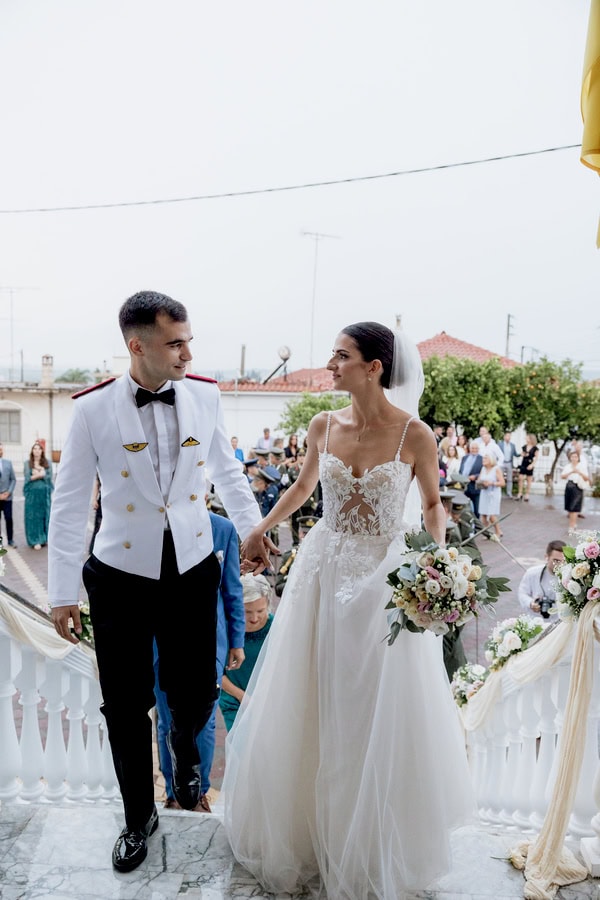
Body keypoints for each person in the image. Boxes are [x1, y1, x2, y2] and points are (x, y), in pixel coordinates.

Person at [223, 322, 473, 898]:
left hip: (385, 581)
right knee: (314, 698)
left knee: (371, 704)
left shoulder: (416, 435)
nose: (330, 364)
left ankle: (371, 839)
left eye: (341, 356)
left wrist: (438, 563)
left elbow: (433, 505)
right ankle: (312, 835)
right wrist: (260, 526)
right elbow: (303, 488)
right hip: (322, 572)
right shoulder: (322, 425)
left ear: (374, 366)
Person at [47, 291, 262, 874]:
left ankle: (187, 754)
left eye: (189, 339)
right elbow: (68, 504)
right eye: (174, 343)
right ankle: (137, 815)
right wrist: (62, 590)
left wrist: (252, 529)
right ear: (136, 346)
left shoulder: (206, 395)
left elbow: (227, 470)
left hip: (191, 564)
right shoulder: (92, 410)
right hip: (119, 572)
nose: (187, 352)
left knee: (195, 687)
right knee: (125, 702)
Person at [153, 509, 245, 810]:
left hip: (209, 642)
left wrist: (236, 640)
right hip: (160, 641)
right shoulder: (149, 525)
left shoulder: (222, 529)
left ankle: (200, 790)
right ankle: (173, 791)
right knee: (168, 722)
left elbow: (232, 589)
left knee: (203, 722)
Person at [219, 573, 274, 731]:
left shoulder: (277, 628)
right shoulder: (225, 629)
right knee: (240, 747)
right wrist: (243, 697)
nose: (255, 618)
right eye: (247, 612)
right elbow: (216, 672)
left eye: (260, 611)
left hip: (268, 699)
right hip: (234, 699)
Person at [518, 540, 566, 621]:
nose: (559, 565)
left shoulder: (569, 577)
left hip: (559, 622)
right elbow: (522, 593)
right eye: (556, 561)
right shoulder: (532, 572)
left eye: (563, 561)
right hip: (535, 620)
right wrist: (531, 603)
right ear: (546, 557)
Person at [23, 441, 54, 549]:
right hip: (32, 495)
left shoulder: (47, 463)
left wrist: (39, 473)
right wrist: (40, 474)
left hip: (44, 495)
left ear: (42, 451)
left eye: (39, 449)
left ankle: (43, 539)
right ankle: (34, 540)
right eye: (34, 449)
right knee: (32, 517)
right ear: (32, 451)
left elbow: (49, 477)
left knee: (44, 516)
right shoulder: (27, 463)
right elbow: (28, 478)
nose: (37, 451)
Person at [476, 452, 505, 541]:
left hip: (493, 493)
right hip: (484, 492)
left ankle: (498, 531)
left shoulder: (496, 469)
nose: (483, 460)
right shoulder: (483, 469)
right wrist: (481, 483)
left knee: (491, 514)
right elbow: (479, 480)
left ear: (491, 460)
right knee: (483, 514)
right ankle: (487, 532)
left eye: (486, 459)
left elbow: (502, 483)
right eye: (483, 459)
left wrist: (492, 483)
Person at [561, 449, 590, 530]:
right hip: (569, 486)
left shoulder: (582, 466)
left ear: (578, 458)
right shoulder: (568, 466)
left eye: (576, 457)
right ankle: (573, 523)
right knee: (569, 507)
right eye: (572, 457)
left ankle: (571, 525)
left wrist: (579, 472)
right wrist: (571, 472)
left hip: (578, 486)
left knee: (574, 506)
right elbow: (562, 476)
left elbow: (587, 478)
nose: (574, 458)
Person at [459, 440, 483, 517]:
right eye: (472, 448)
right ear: (470, 448)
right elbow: (460, 470)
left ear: (478, 449)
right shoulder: (465, 458)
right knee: (464, 508)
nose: (474, 450)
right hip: (464, 486)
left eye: (476, 448)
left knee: (477, 509)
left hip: (475, 487)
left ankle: (477, 528)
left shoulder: (481, 458)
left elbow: (484, 472)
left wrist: (475, 476)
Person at [0, 442, 17, 548]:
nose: (0, 451)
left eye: (1, 449)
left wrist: (8, 492)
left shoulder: (8, 463)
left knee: (9, 518)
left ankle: (10, 540)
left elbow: (13, 479)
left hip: (7, 497)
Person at [516, 433, 539, 501]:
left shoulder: (535, 448)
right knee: (520, 478)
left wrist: (532, 465)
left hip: (530, 463)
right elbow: (522, 453)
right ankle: (520, 493)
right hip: (524, 462)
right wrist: (522, 454)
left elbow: (536, 457)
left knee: (529, 480)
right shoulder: (524, 447)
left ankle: (527, 494)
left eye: (527, 438)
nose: (526, 439)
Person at [499, 430, 519, 497]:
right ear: (504, 437)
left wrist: (520, 454)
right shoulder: (500, 444)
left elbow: (515, 454)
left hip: (509, 463)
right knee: (500, 477)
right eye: (507, 436)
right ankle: (499, 492)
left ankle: (509, 492)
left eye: (509, 436)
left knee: (509, 479)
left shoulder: (512, 445)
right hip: (501, 463)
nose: (508, 437)